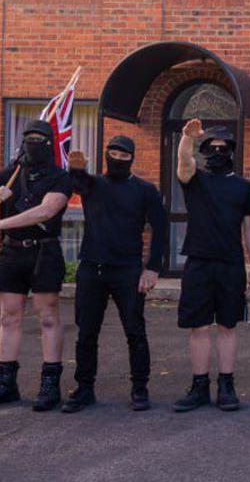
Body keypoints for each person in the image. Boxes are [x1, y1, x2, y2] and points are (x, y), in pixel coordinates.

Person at [0, 120, 73, 411]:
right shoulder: (12, 173)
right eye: (29, 138)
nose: (34, 143)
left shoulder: (60, 177)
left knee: (48, 316)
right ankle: (5, 383)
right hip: (11, 253)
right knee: (8, 317)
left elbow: (45, 211)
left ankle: (50, 384)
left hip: (43, 253)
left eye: (40, 139)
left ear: (49, 143)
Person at [60, 136, 169, 413]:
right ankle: (84, 388)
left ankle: (140, 388)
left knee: (135, 331)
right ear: (106, 154)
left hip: (128, 271)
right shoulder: (92, 184)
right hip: (91, 268)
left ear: (132, 158)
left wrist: (152, 268)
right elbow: (75, 184)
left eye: (124, 156)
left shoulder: (145, 190)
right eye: (113, 154)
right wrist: (75, 169)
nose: (118, 159)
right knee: (86, 332)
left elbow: (161, 229)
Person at [172, 120, 250, 413]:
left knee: (227, 325)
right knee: (198, 327)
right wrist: (187, 138)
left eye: (223, 148)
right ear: (205, 151)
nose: (218, 152)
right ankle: (199, 386)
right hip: (198, 260)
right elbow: (184, 163)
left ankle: (226, 385)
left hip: (230, 263)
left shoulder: (244, 187)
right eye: (212, 148)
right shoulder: (196, 180)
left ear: (232, 152)